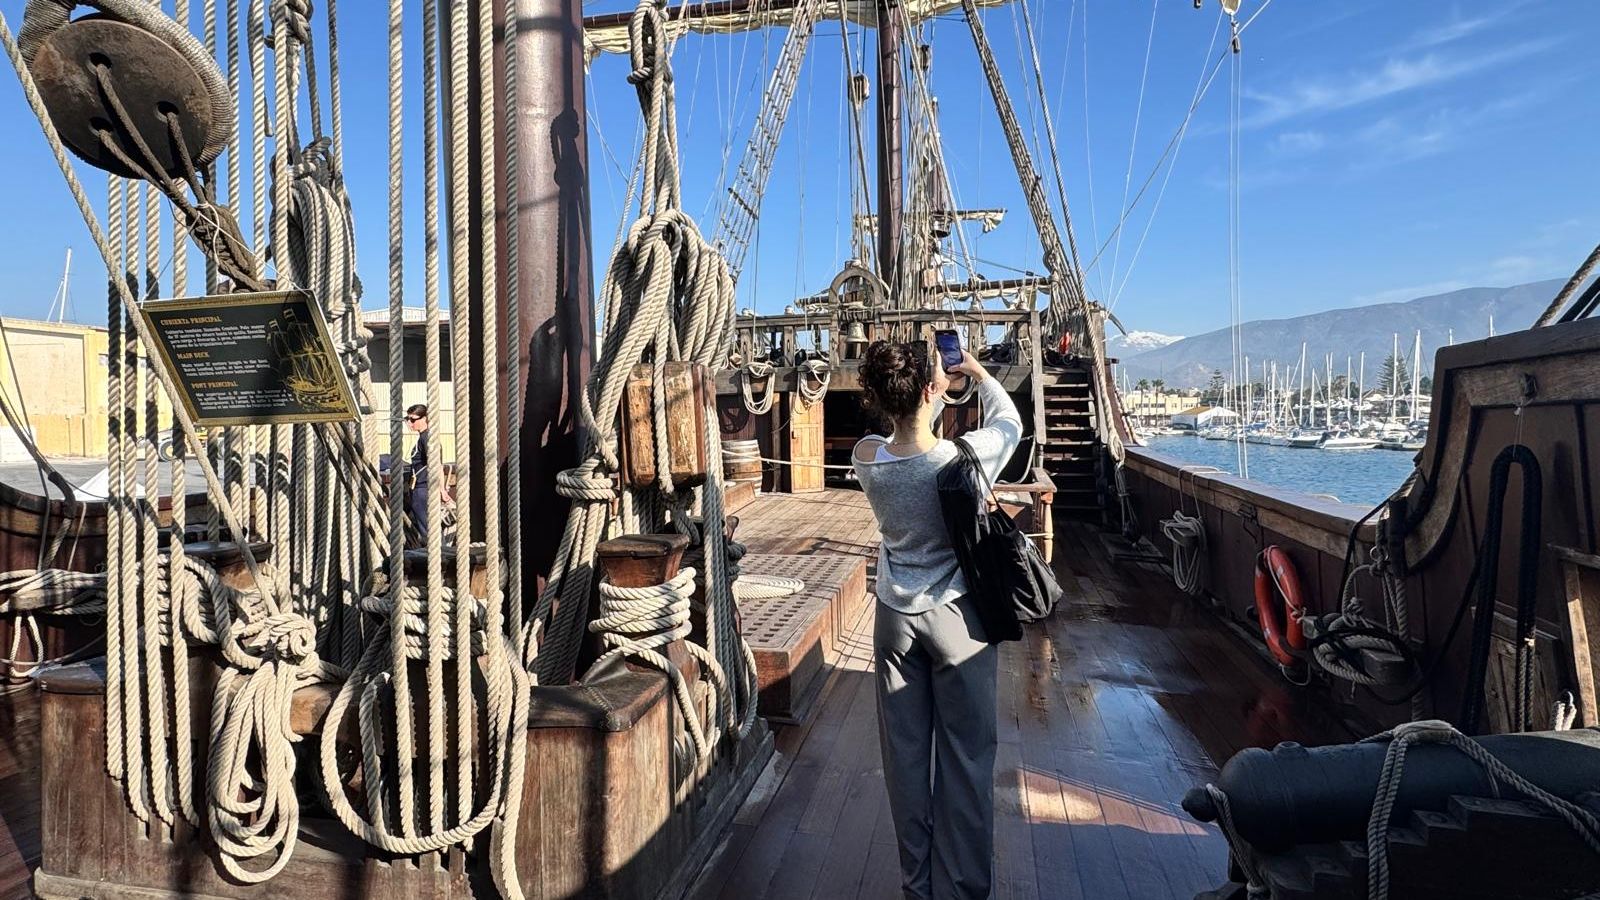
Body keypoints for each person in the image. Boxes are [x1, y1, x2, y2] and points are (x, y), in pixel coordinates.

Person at [851, 339, 1022, 900]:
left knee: (903, 761)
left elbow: (891, 436)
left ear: (878, 395)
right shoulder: (962, 460)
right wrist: (973, 371)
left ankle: (916, 887)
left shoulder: (866, 457)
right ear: (932, 388)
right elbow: (1010, 422)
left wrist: (925, 394)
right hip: (957, 619)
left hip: (894, 621)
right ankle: (965, 890)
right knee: (967, 759)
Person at [405, 404, 433, 539]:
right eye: (407, 419)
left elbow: (436, 463)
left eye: (413, 420)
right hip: (419, 488)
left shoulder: (425, 438)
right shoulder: (424, 437)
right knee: (427, 527)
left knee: (428, 529)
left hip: (422, 489)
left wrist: (442, 490)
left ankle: (440, 556)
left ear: (425, 418)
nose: (410, 423)